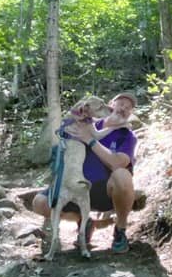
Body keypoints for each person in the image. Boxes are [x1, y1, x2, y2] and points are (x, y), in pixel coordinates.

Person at [32, 91, 138, 254]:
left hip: (103, 191)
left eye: (129, 107)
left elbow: (117, 162)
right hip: (75, 184)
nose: (124, 108)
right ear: (111, 105)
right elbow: (62, 141)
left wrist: (89, 139)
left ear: (131, 113)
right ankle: (85, 220)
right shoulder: (87, 122)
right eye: (121, 103)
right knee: (39, 202)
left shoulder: (127, 135)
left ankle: (120, 230)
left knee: (122, 175)